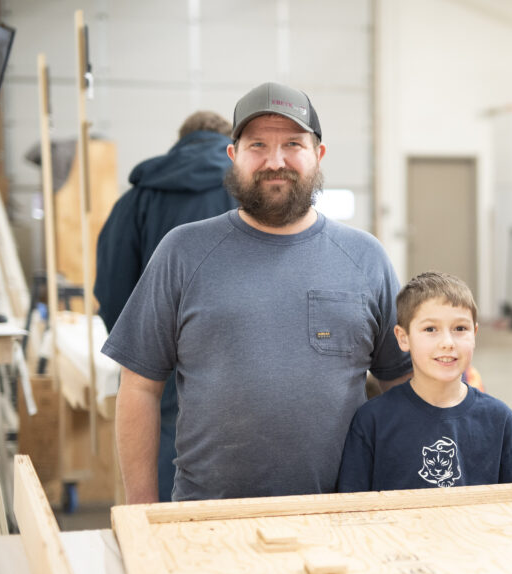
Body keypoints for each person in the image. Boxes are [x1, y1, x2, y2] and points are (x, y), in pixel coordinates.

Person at [103, 82, 412, 504]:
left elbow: (401, 381)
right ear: (234, 157)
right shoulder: (182, 251)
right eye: (258, 145)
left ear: (318, 155)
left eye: (292, 144)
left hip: (343, 513)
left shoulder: (365, 257)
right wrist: (142, 512)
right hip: (208, 517)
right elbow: (138, 387)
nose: (275, 160)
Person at [94, 110, 238, 502]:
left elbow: (111, 284)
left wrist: (137, 346)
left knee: (159, 436)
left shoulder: (137, 199)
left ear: (181, 140)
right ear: (228, 141)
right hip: (238, 350)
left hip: (158, 350)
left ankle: (162, 539)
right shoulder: (246, 193)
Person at [337, 271, 512, 492]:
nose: (447, 342)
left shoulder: (500, 419)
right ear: (403, 338)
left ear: (474, 333)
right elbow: (351, 508)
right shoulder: (373, 420)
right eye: (430, 329)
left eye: (460, 329)